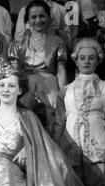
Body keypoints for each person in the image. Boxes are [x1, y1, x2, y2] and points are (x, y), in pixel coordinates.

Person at [53, 38, 105, 186]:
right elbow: (59, 121)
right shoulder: (65, 91)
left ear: (98, 60)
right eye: (82, 58)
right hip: (70, 143)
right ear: (76, 60)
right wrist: (55, 147)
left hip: (98, 143)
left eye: (91, 58)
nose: (86, 61)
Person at [8, 0, 67, 132]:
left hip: (50, 90)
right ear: (27, 20)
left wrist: (63, 97)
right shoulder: (18, 43)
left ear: (48, 18)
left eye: (42, 16)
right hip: (26, 88)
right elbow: (14, 71)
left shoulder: (57, 42)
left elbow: (61, 71)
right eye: (33, 17)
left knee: (51, 125)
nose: (38, 20)